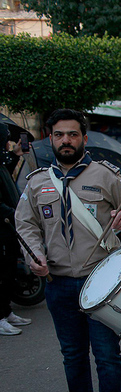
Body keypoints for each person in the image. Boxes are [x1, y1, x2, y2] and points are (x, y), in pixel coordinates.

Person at [15, 108, 121, 392]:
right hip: (59, 284)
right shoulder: (37, 182)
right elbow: (25, 223)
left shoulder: (104, 176)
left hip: (101, 284)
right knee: (72, 355)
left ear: (83, 139)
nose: (66, 141)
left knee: (106, 356)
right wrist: (35, 255)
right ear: (50, 139)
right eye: (59, 135)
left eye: (72, 134)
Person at [0, 124, 31, 335]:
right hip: (3, 225)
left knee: (10, 270)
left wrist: (16, 155)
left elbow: (6, 172)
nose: (8, 143)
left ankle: (6, 310)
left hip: (9, 227)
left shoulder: (1, 161)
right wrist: (12, 212)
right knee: (1, 273)